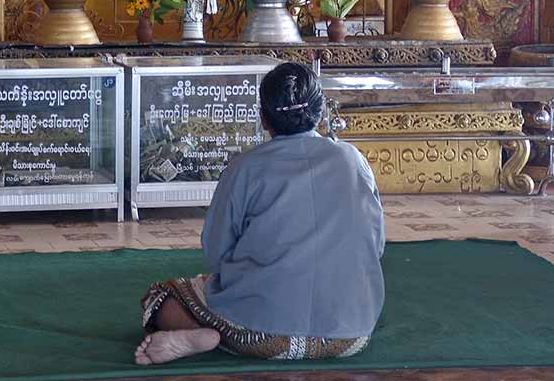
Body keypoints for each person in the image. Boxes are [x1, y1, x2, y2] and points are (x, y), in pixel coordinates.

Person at [135, 62, 385, 365]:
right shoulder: (352, 159)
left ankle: (203, 334)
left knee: (160, 296)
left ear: (263, 118)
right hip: (348, 334)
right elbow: (376, 244)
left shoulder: (246, 166)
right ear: (320, 113)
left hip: (258, 336)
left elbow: (216, 252)